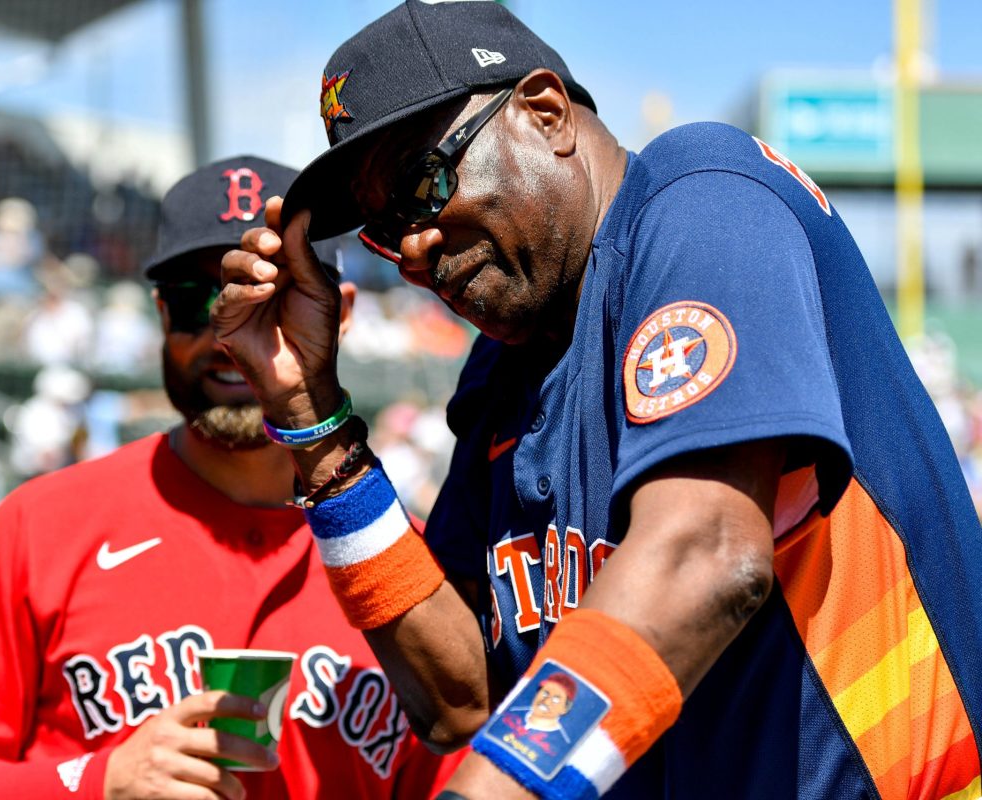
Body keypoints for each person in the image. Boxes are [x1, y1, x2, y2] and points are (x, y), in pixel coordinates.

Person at [211, 2, 982, 799]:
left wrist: (494, 790)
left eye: (425, 183)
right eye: (382, 228)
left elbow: (708, 553)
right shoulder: (501, 370)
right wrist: (312, 420)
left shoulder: (701, 195)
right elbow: (458, 699)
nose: (412, 249)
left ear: (546, 114)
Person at [0, 156, 458, 800]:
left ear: (337, 312)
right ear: (159, 314)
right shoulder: (43, 526)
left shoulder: (408, 569)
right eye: (196, 300)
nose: (232, 334)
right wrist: (99, 781)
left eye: (272, 297)